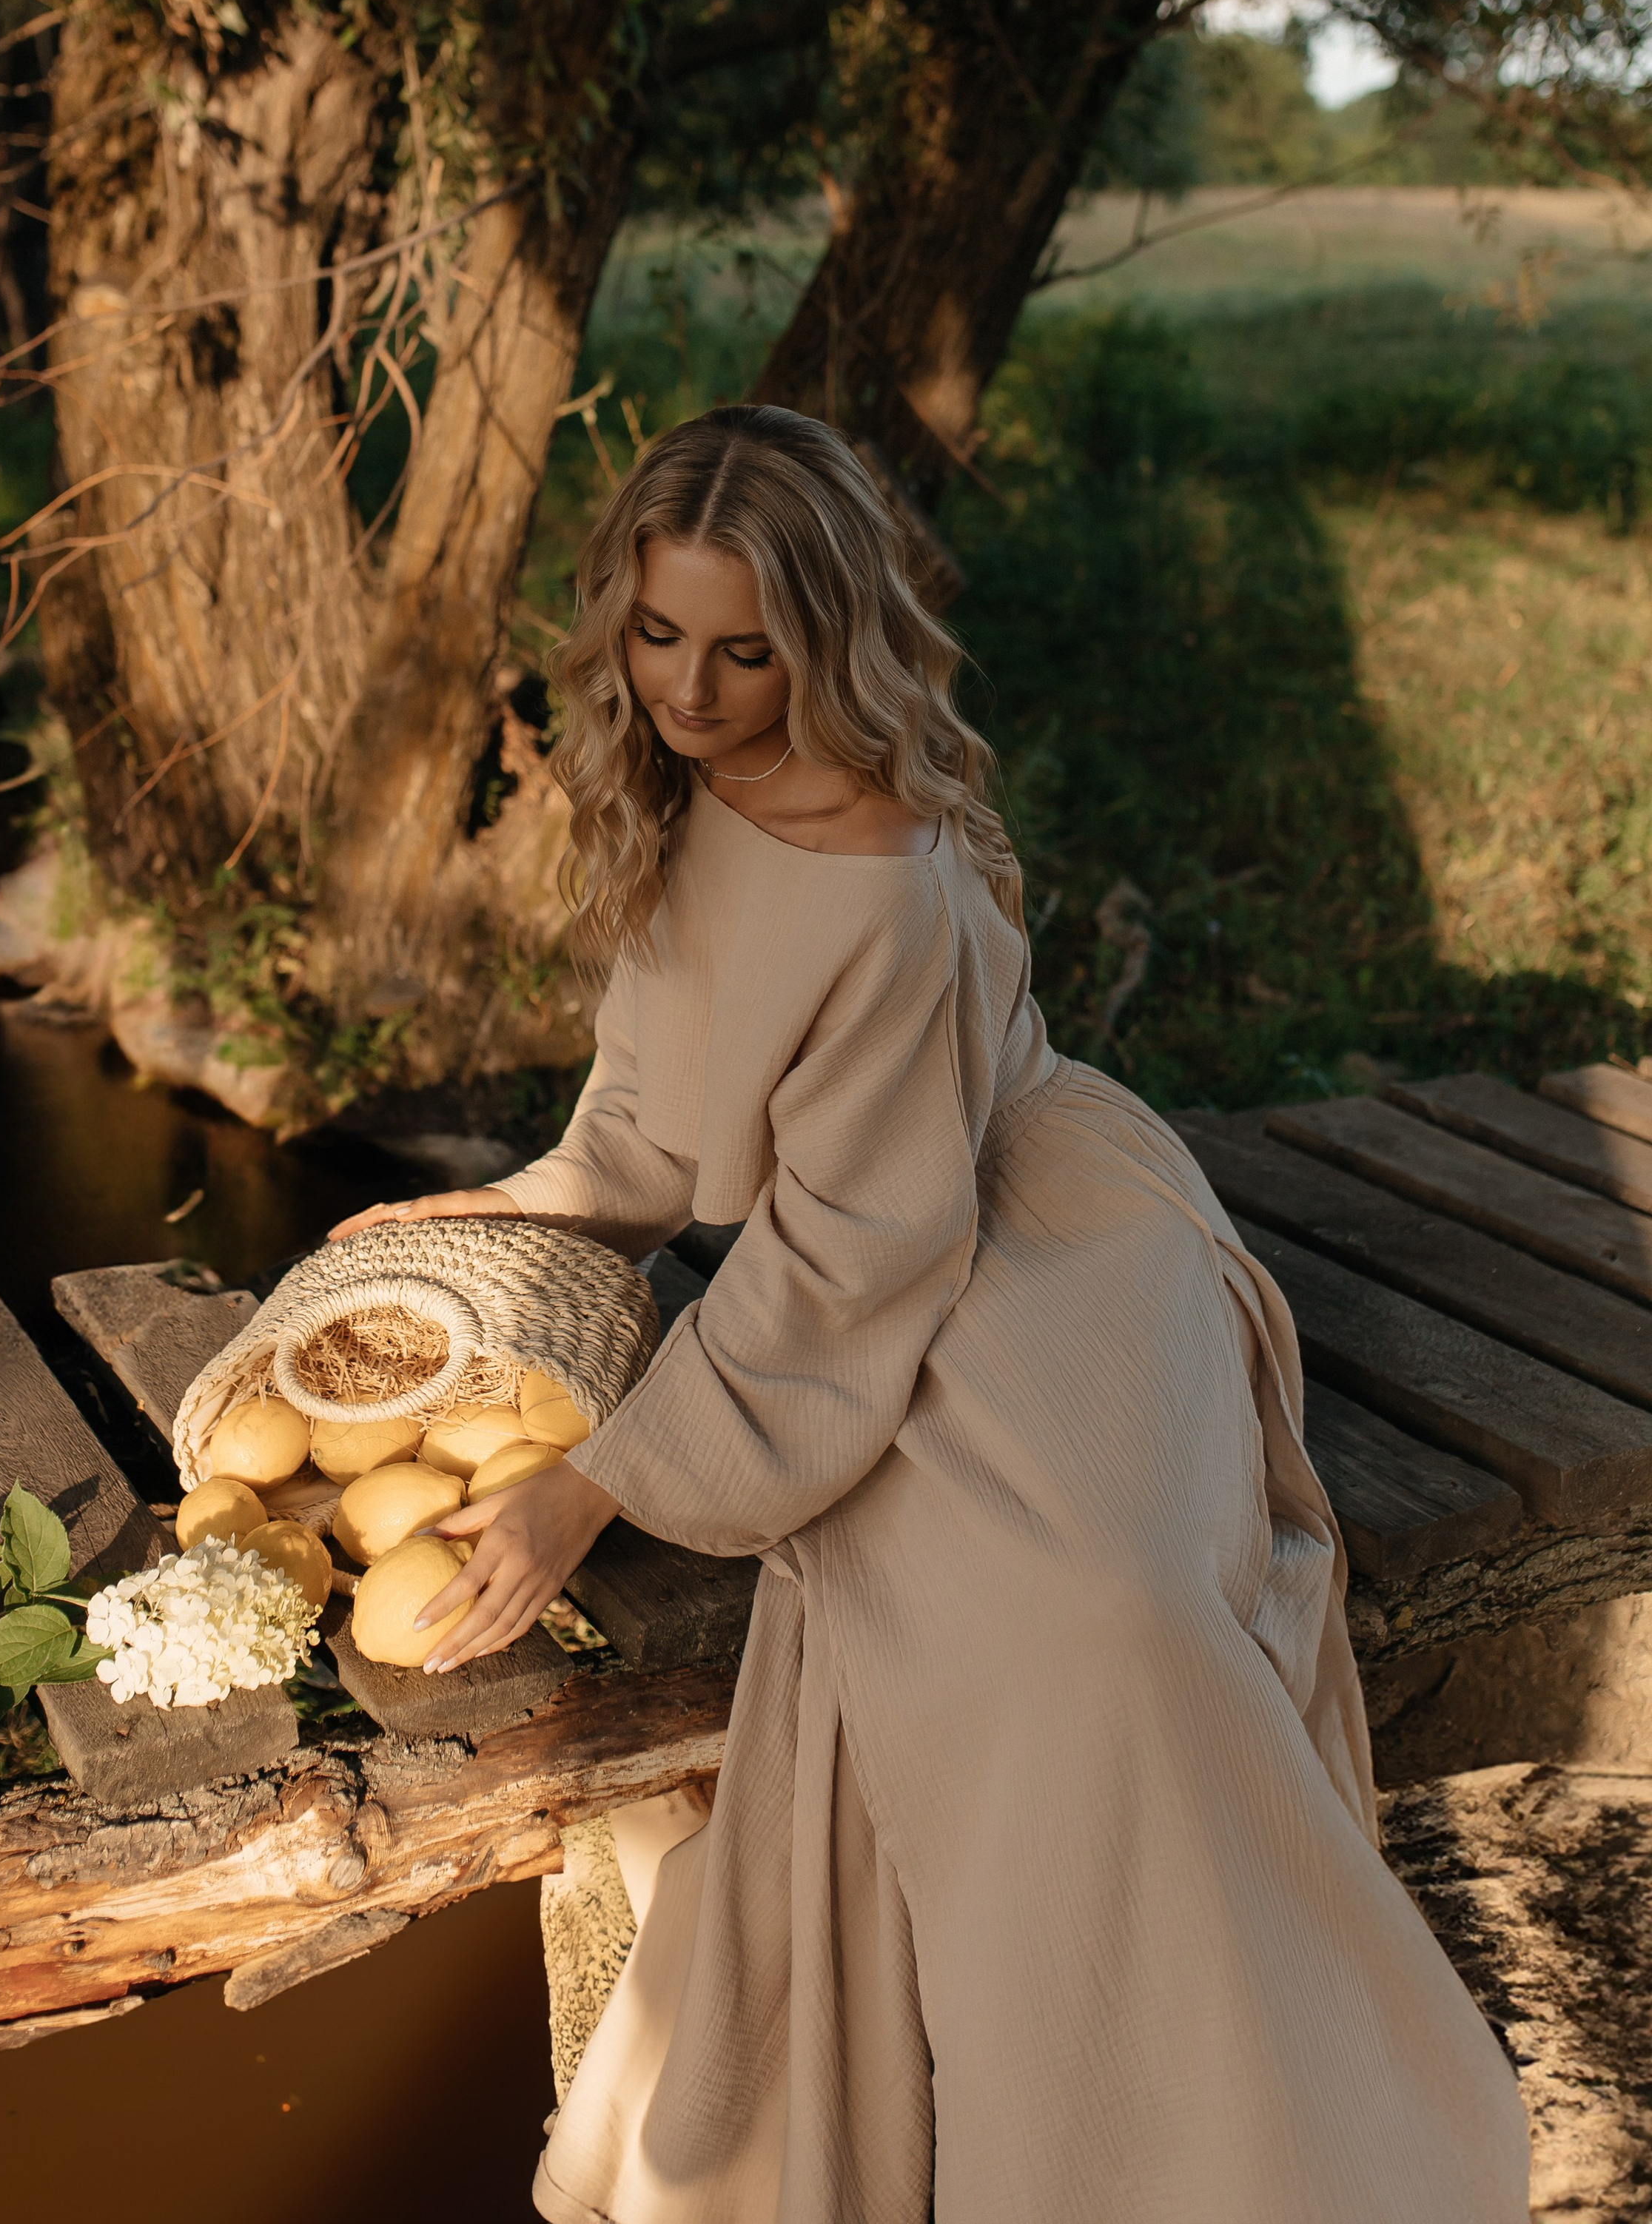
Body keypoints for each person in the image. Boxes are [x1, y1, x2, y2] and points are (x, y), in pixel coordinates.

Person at [329, 403, 1529, 2223]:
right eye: (658, 635)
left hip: (1035, 1239)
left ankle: (1226, 2140)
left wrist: (601, 1484)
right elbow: (654, 1119)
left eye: (747, 651)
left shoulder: (879, 872)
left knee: (1093, 1621)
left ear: (825, 639)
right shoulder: (677, 794)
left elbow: (842, 1265)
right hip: (873, 1242)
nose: (692, 688)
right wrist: (506, 1201)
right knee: (984, 1600)